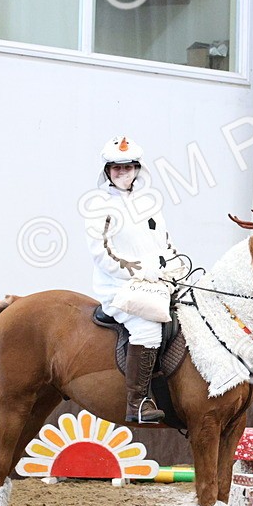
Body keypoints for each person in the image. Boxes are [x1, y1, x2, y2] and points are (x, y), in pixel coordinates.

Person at [85, 136, 185, 424]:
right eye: (115, 168)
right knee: (148, 327)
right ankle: (138, 403)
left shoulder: (149, 203)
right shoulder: (99, 206)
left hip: (154, 283)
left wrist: (175, 267)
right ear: (107, 172)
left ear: (137, 170)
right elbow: (102, 253)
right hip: (119, 286)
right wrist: (140, 271)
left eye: (127, 167)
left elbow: (165, 243)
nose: (121, 172)